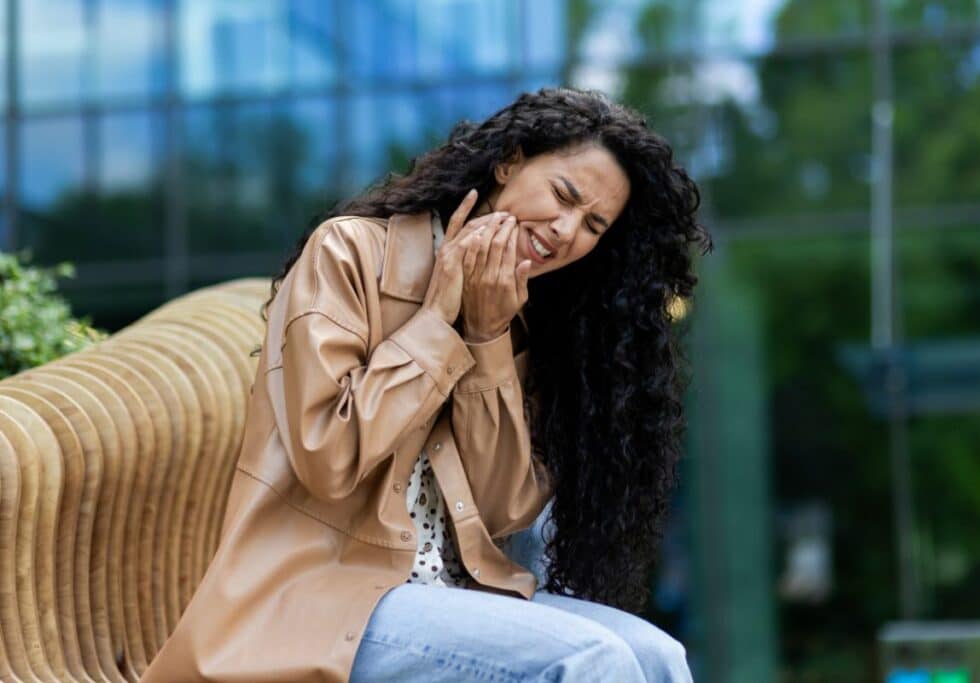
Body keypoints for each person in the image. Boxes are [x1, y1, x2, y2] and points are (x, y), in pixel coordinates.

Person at [139, 86, 709, 682]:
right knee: (593, 659)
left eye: (593, 224)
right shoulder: (350, 253)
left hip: (454, 590)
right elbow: (327, 456)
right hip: (321, 600)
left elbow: (501, 511)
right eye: (563, 195)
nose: (567, 230)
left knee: (658, 657)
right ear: (508, 162)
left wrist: (485, 338)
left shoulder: (520, 315)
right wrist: (437, 325)